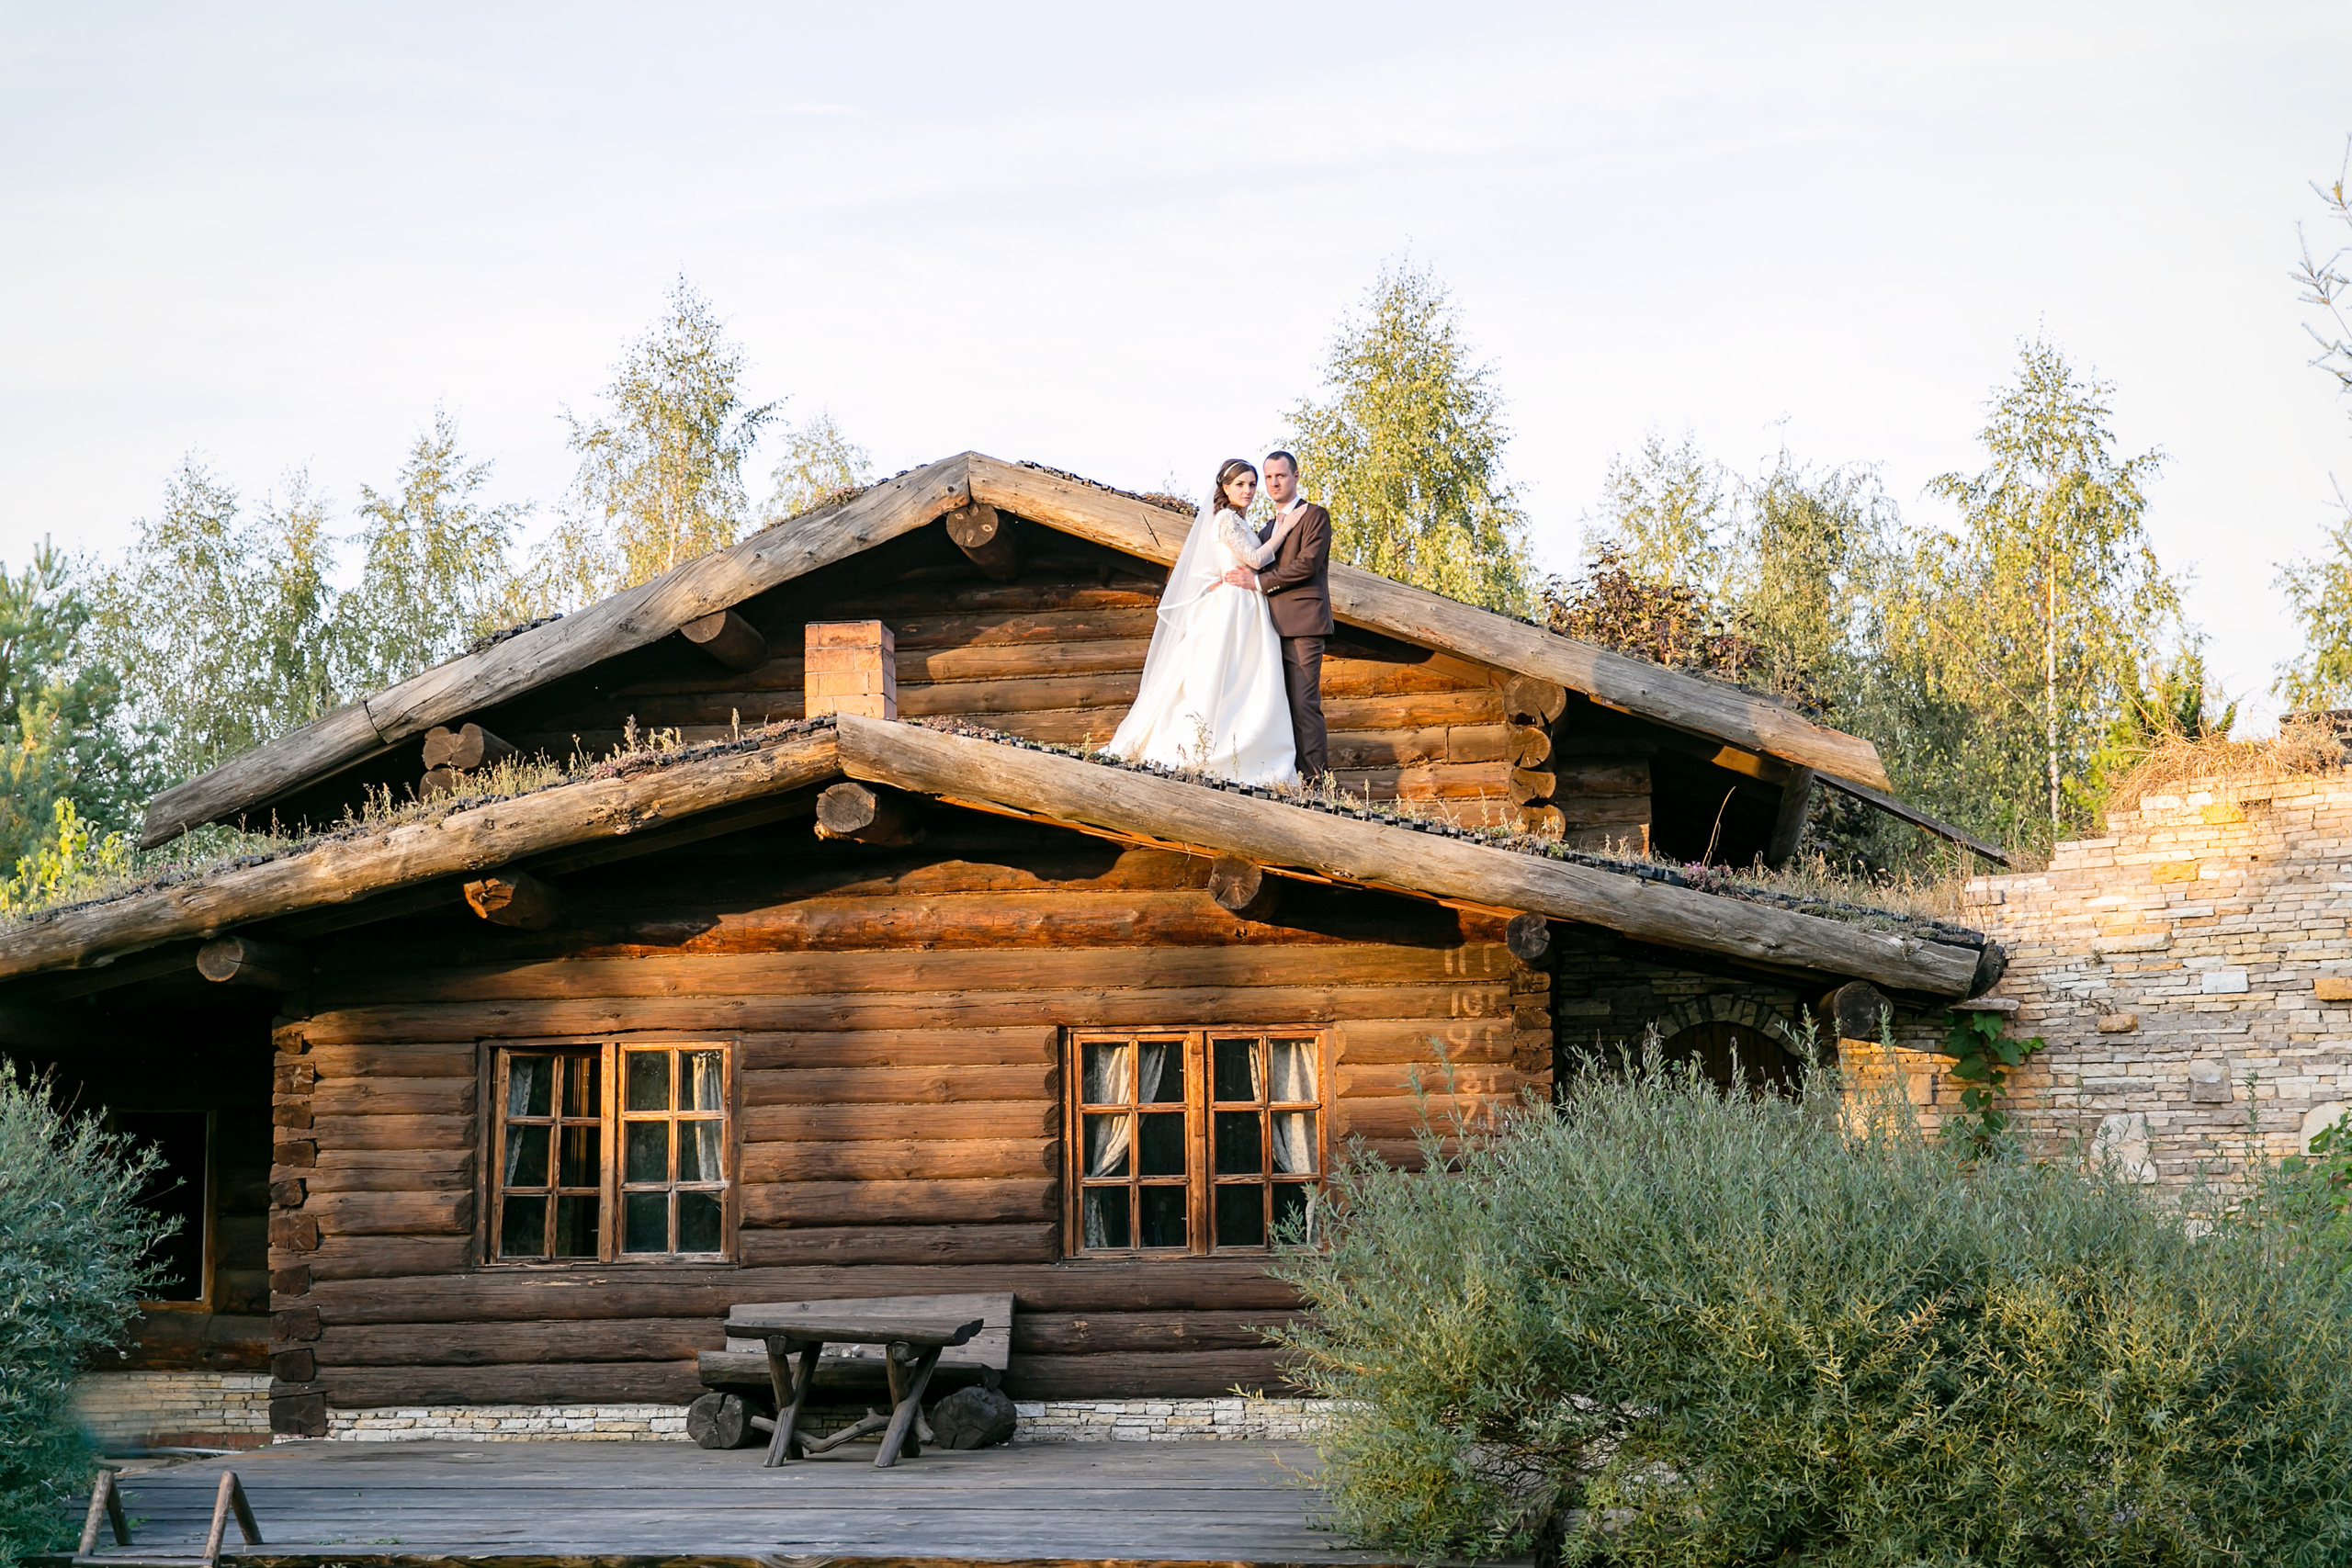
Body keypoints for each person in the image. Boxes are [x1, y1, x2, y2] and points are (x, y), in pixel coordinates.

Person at [1105, 458, 1305, 784]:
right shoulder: (1226, 519)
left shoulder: (1238, 521)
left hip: (1246, 604)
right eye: (1240, 484)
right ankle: (1202, 747)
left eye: (1253, 484)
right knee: (1219, 677)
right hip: (1232, 607)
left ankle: (1243, 743)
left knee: (1242, 679)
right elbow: (1255, 559)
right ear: (1225, 488)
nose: (1249, 490)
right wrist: (1286, 527)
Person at [1219, 450, 1331, 779]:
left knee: (1303, 704)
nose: (1273, 483)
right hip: (1265, 630)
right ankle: (1284, 776)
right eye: (1268, 478)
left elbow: (1307, 565)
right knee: (1272, 707)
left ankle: (1316, 783)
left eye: (1280, 476)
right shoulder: (1266, 529)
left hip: (1302, 625)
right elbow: (1246, 560)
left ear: (1296, 477)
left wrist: (1257, 581)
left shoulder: (1315, 516)